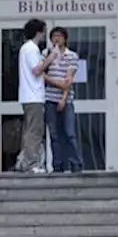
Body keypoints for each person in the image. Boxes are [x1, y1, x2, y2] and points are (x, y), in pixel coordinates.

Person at [14, 18, 54, 173]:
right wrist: (51, 58)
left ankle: (23, 161)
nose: (44, 35)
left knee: (29, 129)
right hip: (33, 95)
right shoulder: (31, 48)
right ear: (39, 32)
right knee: (35, 131)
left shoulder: (28, 49)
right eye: (43, 31)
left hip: (29, 95)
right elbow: (37, 70)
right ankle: (31, 163)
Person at [44, 26, 83, 174]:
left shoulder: (71, 55)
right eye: (54, 36)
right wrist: (51, 58)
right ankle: (58, 165)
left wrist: (63, 98)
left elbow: (69, 80)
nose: (57, 39)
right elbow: (41, 72)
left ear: (65, 38)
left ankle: (76, 164)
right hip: (49, 99)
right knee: (54, 134)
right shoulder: (46, 54)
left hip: (66, 99)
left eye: (59, 36)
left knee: (70, 133)